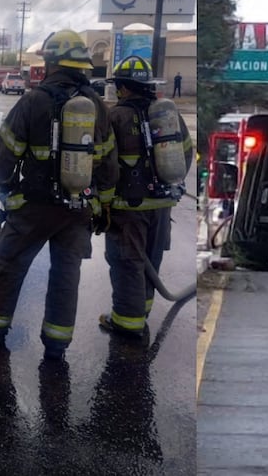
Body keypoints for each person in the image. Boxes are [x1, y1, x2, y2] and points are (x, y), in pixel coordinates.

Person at [0, 29, 118, 360]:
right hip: (78, 209)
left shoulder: (34, 100)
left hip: (33, 205)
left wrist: (7, 193)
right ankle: (57, 344)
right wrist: (101, 205)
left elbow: (3, 154)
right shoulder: (98, 107)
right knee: (66, 274)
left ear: (50, 63)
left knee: (9, 264)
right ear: (80, 65)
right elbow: (107, 161)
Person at [99, 56, 193, 339]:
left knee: (127, 262)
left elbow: (104, 163)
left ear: (125, 88)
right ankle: (142, 312)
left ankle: (127, 323)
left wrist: (103, 201)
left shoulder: (114, 117)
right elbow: (187, 152)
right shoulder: (168, 114)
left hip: (127, 208)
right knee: (151, 261)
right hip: (162, 205)